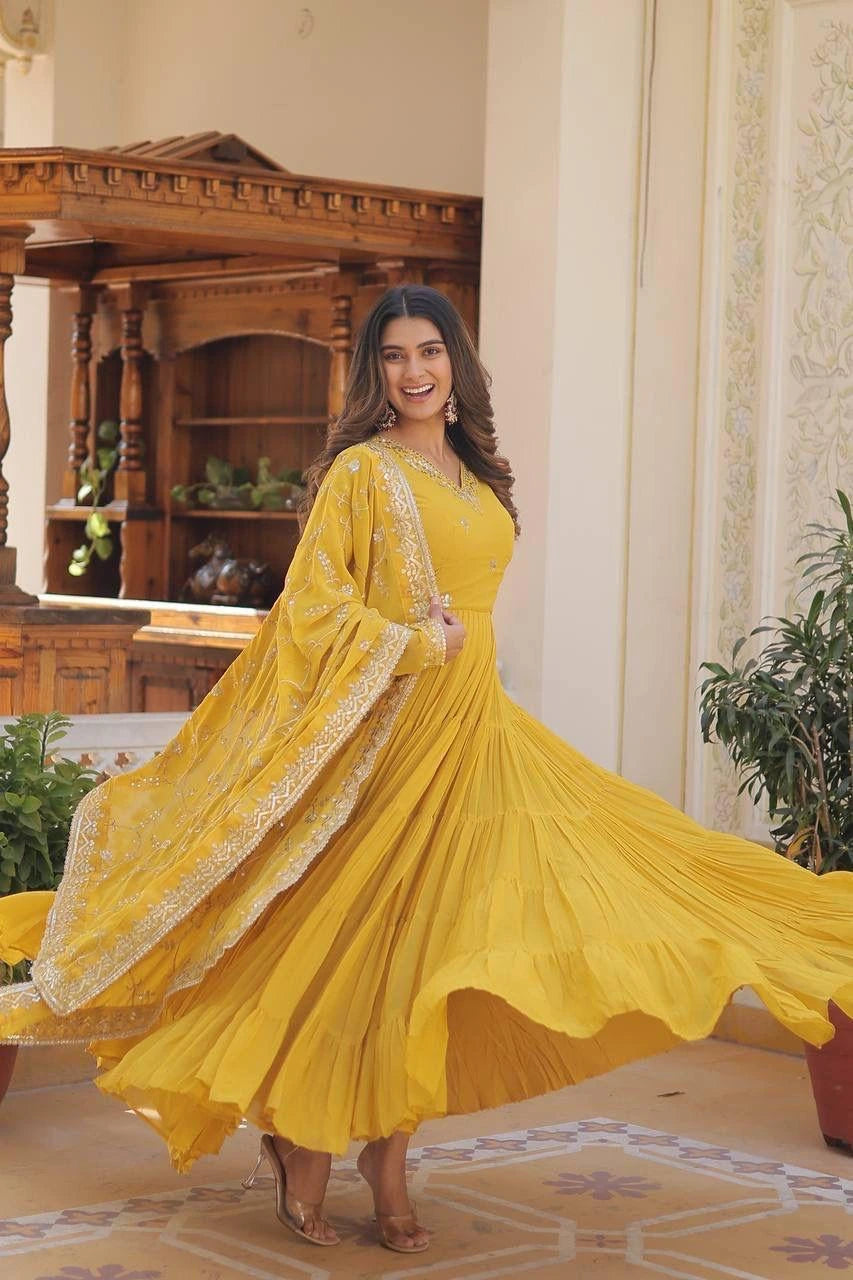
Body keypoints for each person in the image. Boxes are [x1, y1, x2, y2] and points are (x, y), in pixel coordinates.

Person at [0, 285, 851, 1256]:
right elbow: (310, 609)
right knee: (363, 948)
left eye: (429, 352)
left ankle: (387, 1156)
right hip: (387, 743)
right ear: (375, 372)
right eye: (394, 356)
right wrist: (408, 641)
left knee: (451, 946)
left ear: (456, 362)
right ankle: (308, 1138)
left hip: (476, 731)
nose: (413, 372)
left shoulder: (477, 472)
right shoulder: (363, 473)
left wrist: (444, 647)